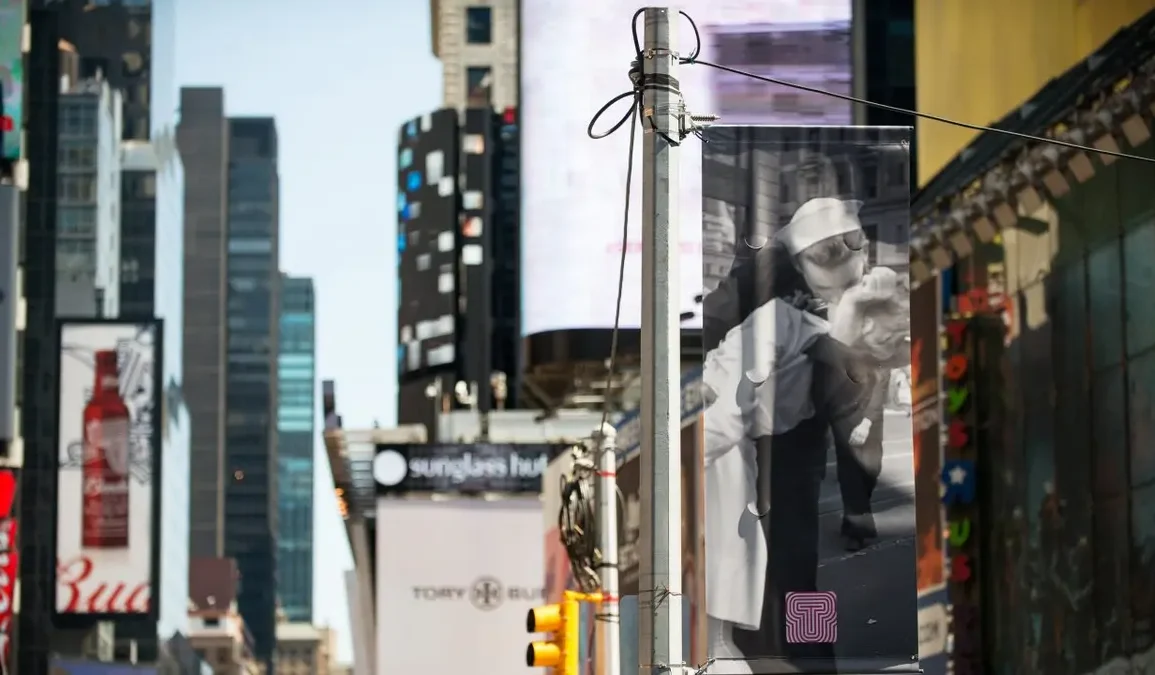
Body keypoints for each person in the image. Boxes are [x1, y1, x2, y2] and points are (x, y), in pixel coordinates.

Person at [702, 197, 908, 671]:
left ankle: (809, 662)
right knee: (768, 576)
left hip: (785, 454)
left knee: (784, 576)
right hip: (759, 453)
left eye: (851, 249)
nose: (844, 262)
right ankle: (801, 661)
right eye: (827, 255)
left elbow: (857, 413)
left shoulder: (842, 305)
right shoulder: (776, 309)